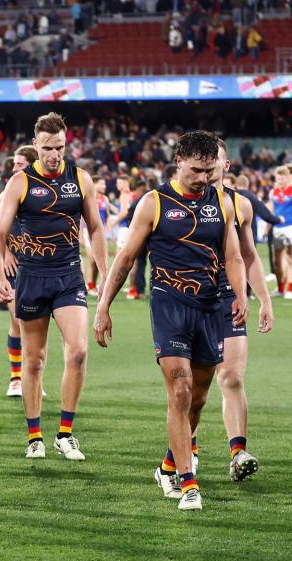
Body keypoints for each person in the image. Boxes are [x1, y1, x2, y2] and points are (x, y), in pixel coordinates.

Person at [94, 130, 248, 511]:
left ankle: (167, 465)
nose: (204, 178)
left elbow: (233, 256)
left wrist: (242, 295)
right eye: (196, 170)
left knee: (198, 398)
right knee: (179, 392)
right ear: (178, 161)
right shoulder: (154, 203)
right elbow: (126, 258)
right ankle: (187, 481)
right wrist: (103, 306)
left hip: (211, 308)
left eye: (210, 170)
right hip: (170, 306)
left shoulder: (223, 202)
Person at [0, 113, 108, 461]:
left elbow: (97, 229)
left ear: (66, 144)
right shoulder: (21, 183)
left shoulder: (80, 179)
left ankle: (66, 433)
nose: (53, 154)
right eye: (46, 148)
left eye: (59, 147)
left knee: (78, 351)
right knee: (34, 359)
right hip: (31, 276)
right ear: (36, 145)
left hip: (68, 276)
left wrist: (104, 274)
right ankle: (34, 436)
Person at [209, 140, 274, 482]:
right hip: (187, 301)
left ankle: (237, 453)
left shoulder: (241, 204)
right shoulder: (176, 201)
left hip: (228, 298)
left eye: (213, 160)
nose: (208, 166)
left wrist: (263, 298)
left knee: (232, 377)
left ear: (227, 165)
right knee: (187, 387)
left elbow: (248, 256)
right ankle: (181, 457)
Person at [0, 145, 38, 398]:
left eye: (19, 164)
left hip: (37, 266)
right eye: (14, 164)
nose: (14, 168)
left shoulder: (44, 194)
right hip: (12, 267)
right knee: (21, 319)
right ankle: (17, 379)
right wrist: (7, 252)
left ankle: (31, 376)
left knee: (27, 324)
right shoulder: (7, 194)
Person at [84, 178, 117, 295]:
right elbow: (83, 216)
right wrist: (82, 235)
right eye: (102, 183)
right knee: (92, 259)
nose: (104, 186)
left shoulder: (105, 199)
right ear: (95, 184)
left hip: (100, 232)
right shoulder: (88, 196)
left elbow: (107, 216)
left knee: (100, 260)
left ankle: (93, 285)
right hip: (87, 230)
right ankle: (89, 284)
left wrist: (110, 232)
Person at [270, 166, 292, 299]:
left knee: (290, 259)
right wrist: (267, 227)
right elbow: (270, 210)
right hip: (277, 229)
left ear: (288, 178)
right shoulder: (273, 192)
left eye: (283, 178)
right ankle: (280, 288)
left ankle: (290, 289)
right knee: (277, 261)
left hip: (290, 227)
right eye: (278, 178)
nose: (281, 181)